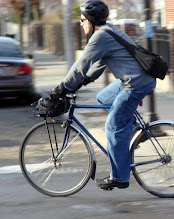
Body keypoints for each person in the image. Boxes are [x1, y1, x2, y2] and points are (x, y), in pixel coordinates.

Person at [50, 0, 156, 190]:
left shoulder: (100, 37)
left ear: (91, 20)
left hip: (135, 84)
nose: (81, 24)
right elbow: (96, 67)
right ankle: (132, 130)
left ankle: (119, 177)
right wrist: (80, 84)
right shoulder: (108, 31)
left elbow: (80, 65)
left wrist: (61, 89)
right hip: (136, 79)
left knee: (113, 128)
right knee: (103, 98)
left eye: (82, 20)